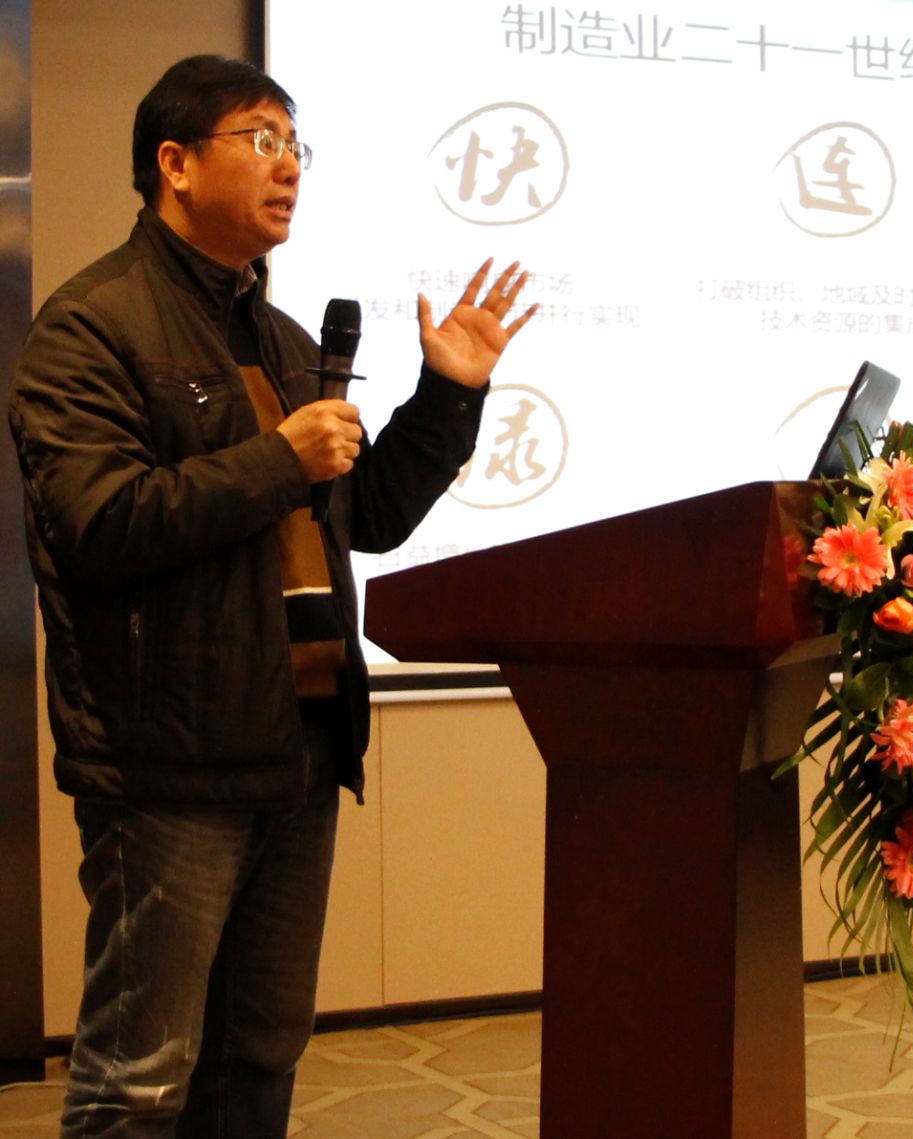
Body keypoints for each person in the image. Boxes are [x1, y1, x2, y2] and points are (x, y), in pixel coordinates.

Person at [8, 54, 536, 1138]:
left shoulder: (283, 339)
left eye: (297, 145)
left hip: (297, 744)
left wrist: (449, 395)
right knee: (139, 1078)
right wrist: (275, 460)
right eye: (261, 140)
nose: (289, 166)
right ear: (174, 164)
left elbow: (364, 514)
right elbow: (97, 523)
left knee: (257, 1054)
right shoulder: (91, 325)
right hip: (172, 760)